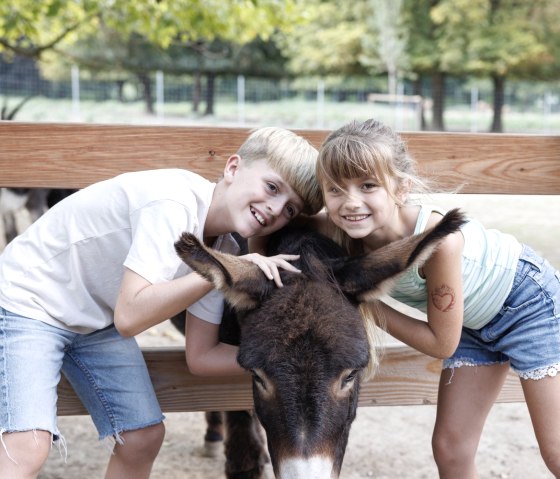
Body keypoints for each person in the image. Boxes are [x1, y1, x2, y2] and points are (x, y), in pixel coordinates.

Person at [0, 126, 323, 479]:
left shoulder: (225, 249)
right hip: (26, 301)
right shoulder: (174, 202)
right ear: (233, 168)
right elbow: (130, 317)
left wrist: (289, 358)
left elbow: (201, 357)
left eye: (290, 209)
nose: (275, 208)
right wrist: (224, 271)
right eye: (271, 187)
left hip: (91, 320)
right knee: (28, 445)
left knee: (142, 438)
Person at [308, 118, 560, 478]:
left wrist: (364, 299)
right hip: (470, 323)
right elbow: (278, 224)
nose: (351, 202)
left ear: (401, 189)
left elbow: (442, 343)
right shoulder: (341, 226)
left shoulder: (437, 243)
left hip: (527, 304)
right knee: (450, 449)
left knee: (556, 451)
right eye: (335, 189)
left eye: (368, 186)